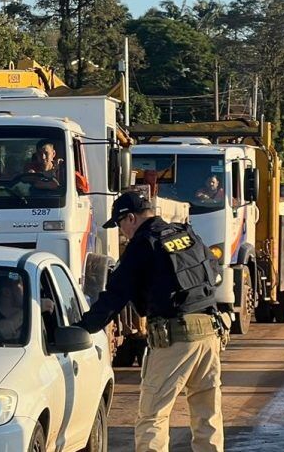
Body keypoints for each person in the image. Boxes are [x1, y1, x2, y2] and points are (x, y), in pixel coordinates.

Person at [77, 191, 223, 451]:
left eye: (121, 225)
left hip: (176, 339)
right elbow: (213, 272)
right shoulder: (185, 233)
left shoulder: (143, 244)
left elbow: (115, 295)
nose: (123, 233)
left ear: (130, 218)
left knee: (153, 415)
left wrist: (82, 329)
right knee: (207, 414)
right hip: (209, 334)